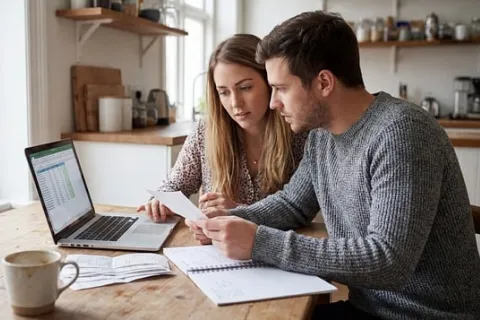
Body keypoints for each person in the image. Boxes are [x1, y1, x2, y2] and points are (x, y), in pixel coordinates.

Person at [187, 11, 480, 319]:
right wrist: (230, 220)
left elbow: (387, 261)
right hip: (369, 309)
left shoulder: (403, 132)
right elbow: (292, 204)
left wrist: (259, 242)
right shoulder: (322, 136)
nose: (274, 103)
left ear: (324, 82)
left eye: (281, 88)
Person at [137, 34, 308, 229]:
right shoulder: (206, 131)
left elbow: (298, 213)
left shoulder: (299, 134)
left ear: (269, 82)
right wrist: (159, 201)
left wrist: (236, 211)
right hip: (214, 252)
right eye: (224, 92)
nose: (235, 103)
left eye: (245, 87)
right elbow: (175, 185)